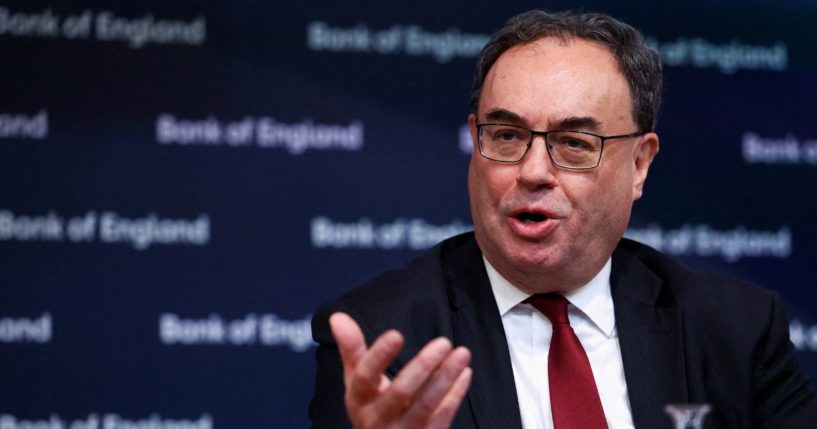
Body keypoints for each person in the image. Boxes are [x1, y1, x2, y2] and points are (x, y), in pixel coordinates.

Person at [309, 10, 817, 429]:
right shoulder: (383, 338)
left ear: (639, 165)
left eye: (574, 143)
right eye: (506, 136)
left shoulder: (734, 331)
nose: (533, 172)